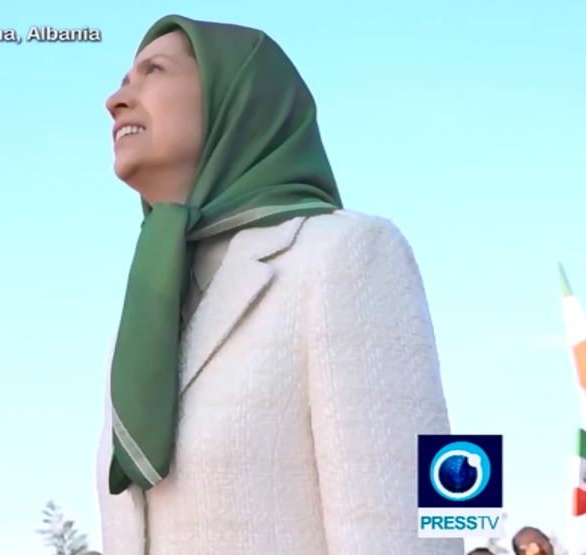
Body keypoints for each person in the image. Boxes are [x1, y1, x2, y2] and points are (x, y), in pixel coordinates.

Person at [94, 14, 460, 555]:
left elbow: (413, 524)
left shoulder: (349, 251)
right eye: (124, 80)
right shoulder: (144, 314)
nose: (114, 100)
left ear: (239, 99)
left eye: (153, 71)